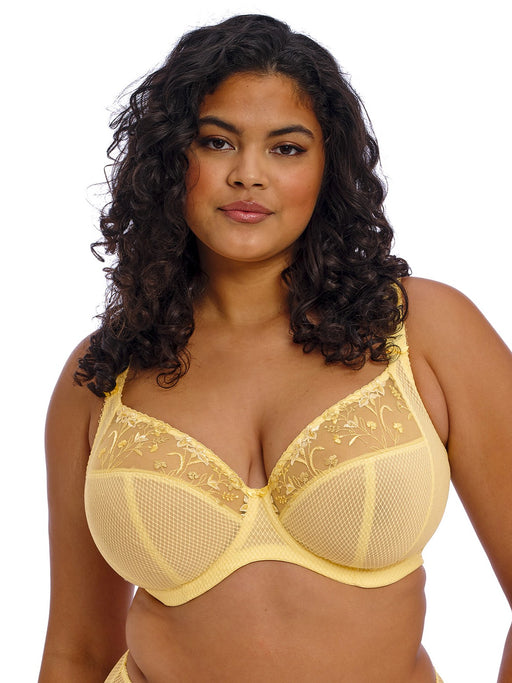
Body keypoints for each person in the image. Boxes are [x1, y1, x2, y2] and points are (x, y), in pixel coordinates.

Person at [39, 14, 512, 683]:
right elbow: (79, 651)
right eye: (217, 142)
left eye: (286, 148)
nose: (248, 175)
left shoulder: (426, 330)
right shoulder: (104, 371)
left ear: (328, 167)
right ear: (171, 159)